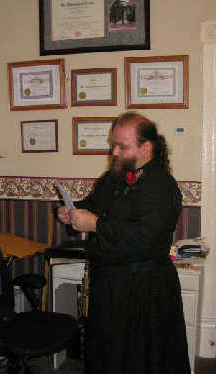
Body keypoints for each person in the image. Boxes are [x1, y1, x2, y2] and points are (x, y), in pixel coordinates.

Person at [58, 112, 191, 374]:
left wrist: (95, 224)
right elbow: (95, 206)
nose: (114, 152)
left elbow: (143, 236)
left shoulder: (161, 185)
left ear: (146, 147)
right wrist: (72, 213)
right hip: (109, 285)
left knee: (139, 360)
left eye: (122, 146)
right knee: (108, 355)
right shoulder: (114, 176)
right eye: (113, 145)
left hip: (143, 289)